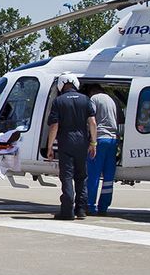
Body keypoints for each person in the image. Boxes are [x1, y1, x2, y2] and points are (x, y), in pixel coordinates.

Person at [45, 73, 98, 220]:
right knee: (82, 176)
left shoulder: (58, 101)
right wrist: (93, 143)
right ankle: (81, 210)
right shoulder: (85, 99)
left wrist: (49, 146)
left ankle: (67, 210)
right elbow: (92, 123)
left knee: (67, 176)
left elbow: (54, 125)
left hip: (66, 142)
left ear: (62, 85)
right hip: (82, 142)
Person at [84, 82, 120, 215]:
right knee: (108, 177)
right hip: (113, 140)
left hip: (99, 138)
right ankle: (104, 206)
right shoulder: (112, 100)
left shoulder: (94, 99)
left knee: (93, 174)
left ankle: (90, 205)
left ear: (91, 91)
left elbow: (91, 120)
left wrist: (91, 141)